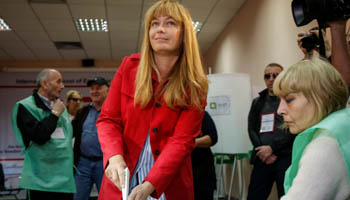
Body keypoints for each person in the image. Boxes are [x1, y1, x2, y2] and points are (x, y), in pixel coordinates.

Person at [96, 0, 208, 199]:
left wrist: (149, 185)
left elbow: (182, 141)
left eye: (170, 23)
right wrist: (114, 157)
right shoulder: (129, 67)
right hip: (121, 182)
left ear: (184, 34)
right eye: (154, 24)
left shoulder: (195, 84)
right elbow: (108, 120)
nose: (160, 29)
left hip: (168, 185)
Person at [273, 57, 350, 199]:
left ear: (323, 96)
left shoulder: (324, 146)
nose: (280, 110)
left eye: (289, 99)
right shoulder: (343, 125)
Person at [11, 68, 75, 200]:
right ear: (45, 84)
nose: (62, 86)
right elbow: (39, 136)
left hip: (64, 180)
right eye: (58, 82)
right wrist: (54, 114)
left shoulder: (60, 107)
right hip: (40, 181)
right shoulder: (25, 106)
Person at [247, 63, 295, 200]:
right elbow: (251, 128)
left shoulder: (290, 99)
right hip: (262, 158)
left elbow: (292, 128)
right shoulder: (257, 102)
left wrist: (272, 148)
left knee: (286, 196)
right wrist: (262, 151)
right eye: (267, 76)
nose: (271, 79)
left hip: (284, 158)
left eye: (276, 75)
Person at [72, 77, 109, 200]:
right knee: (78, 197)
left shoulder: (113, 111)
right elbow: (70, 132)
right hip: (83, 164)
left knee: (108, 197)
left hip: (105, 164)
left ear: (107, 90)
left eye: (98, 88)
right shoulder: (82, 112)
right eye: (92, 89)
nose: (94, 91)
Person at [191, 111, 218, 200]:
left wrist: (192, 143)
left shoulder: (201, 114)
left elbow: (213, 137)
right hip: (183, 170)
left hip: (203, 168)